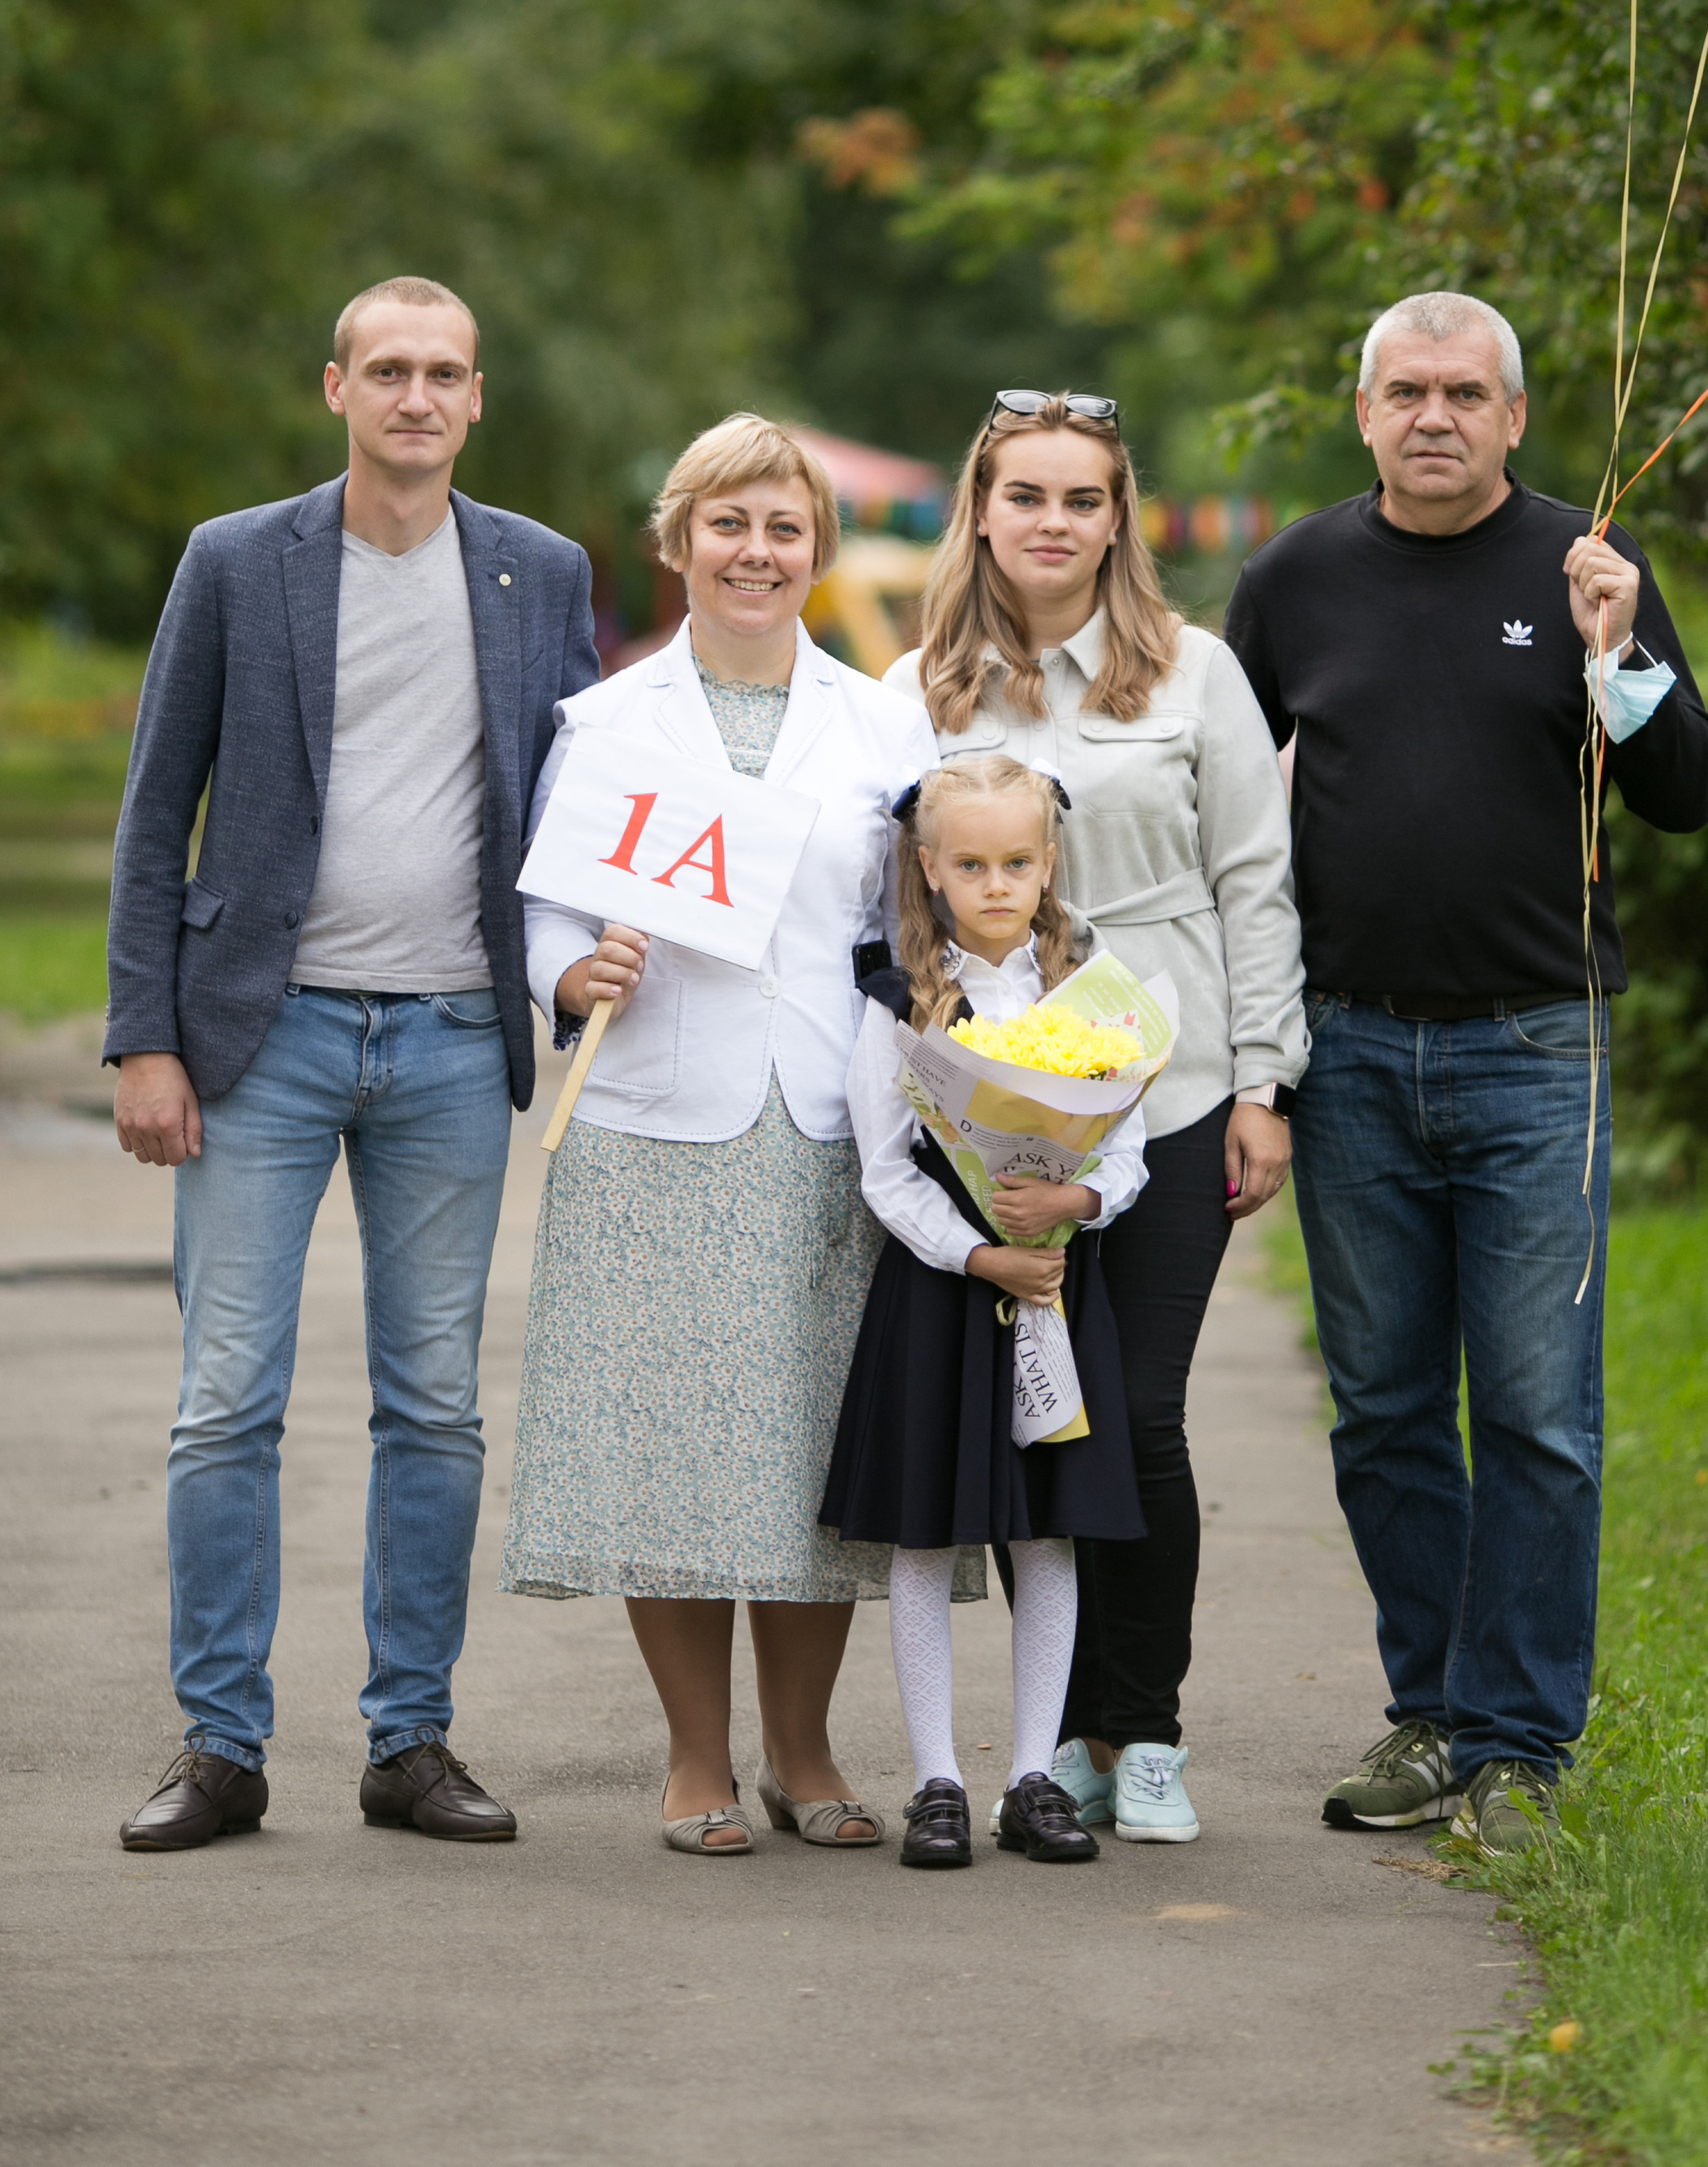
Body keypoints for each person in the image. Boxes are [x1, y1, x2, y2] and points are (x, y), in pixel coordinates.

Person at [1224, 289, 1708, 1856]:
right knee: (1382, 1410)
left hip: (1533, 1047)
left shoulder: (1587, 568)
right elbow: (1228, 817)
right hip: (1352, 1043)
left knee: (1535, 1416)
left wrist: (1618, 658)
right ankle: (1430, 1714)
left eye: (1464, 393)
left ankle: (1521, 1744)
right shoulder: (1295, 578)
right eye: (1405, 391)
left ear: (1513, 417)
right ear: (1362, 411)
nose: (1433, 416)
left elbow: (1690, 796)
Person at [106, 277, 598, 1853]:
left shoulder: (541, 572)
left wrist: (590, 977)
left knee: (435, 1408)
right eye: (386, 370)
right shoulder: (241, 562)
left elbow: (583, 809)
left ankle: (410, 1741)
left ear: (475, 397)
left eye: (442, 372)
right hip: (263, 1034)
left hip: (455, 1036)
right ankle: (221, 1747)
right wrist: (144, 1037)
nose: (414, 396)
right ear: (336, 388)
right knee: (225, 1404)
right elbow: (152, 805)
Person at [503, 413, 942, 1856]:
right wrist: (573, 974)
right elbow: (546, 905)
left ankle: (805, 1757)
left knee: (808, 1450)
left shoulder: (884, 723)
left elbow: (911, 919)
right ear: (678, 543)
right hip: (653, 1129)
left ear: (814, 551)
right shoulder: (608, 721)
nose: (757, 554)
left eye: (784, 529)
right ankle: (696, 1759)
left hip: (826, 1123)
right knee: (671, 1447)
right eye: (729, 526)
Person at [889, 391, 1306, 1846]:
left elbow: (1257, 881)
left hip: (1169, 1105)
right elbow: (874, 903)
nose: (1053, 522)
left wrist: (1263, 1085)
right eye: (1026, 496)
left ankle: (1150, 1731)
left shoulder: (1193, 675)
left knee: (1138, 1416)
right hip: (997, 1133)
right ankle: (1056, 1739)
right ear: (983, 512)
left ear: (1119, 515)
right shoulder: (926, 690)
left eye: (1082, 498)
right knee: (1036, 1431)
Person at [821, 756, 1149, 1868]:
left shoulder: (1088, 988)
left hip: (1058, 1281)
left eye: (1018, 861)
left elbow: (1131, 1140)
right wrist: (977, 1255)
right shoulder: (899, 996)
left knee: (1046, 1529)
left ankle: (1030, 1778)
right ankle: (939, 1782)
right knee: (929, 1530)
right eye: (972, 864)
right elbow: (885, 1169)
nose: (998, 882)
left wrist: (1078, 1200)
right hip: (947, 1291)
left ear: (1048, 863)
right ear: (931, 869)